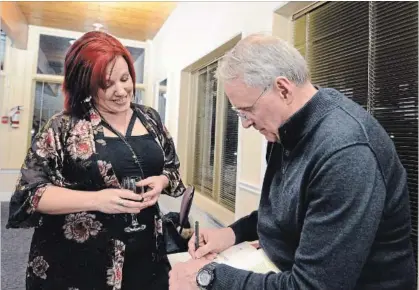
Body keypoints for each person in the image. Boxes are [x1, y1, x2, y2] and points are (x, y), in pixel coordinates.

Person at [168, 34, 416, 290]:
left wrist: (207, 276)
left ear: (283, 89)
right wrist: (232, 233)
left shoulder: (345, 152)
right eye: (239, 113)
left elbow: (313, 286)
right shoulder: (284, 132)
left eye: (247, 110)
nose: (245, 123)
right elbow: (281, 212)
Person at [6, 31, 185, 290]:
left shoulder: (150, 118)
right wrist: (98, 200)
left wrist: (162, 180)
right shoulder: (64, 126)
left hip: (146, 252)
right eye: (107, 84)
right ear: (87, 86)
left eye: (125, 79)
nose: (121, 91)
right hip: (82, 262)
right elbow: (29, 195)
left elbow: (172, 169)